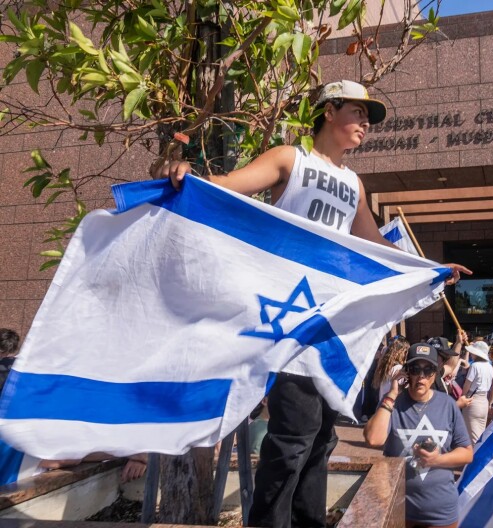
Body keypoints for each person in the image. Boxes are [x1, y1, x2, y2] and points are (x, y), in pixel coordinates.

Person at [158, 79, 471, 528]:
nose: (365, 123)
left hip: (331, 328)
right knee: (291, 440)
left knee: (321, 441)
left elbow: (375, 242)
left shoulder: (354, 183)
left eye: (368, 117)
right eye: (358, 112)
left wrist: (431, 268)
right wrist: (189, 176)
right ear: (328, 111)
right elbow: (228, 187)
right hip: (291, 324)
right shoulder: (290, 158)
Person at [364, 343, 473, 528]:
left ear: (435, 374)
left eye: (428, 370)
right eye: (415, 369)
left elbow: (467, 453)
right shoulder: (393, 404)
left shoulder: (448, 405)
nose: (421, 376)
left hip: (440, 513)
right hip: (399, 508)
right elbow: (374, 439)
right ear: (407, 372)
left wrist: (436, 460)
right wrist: (391, 394)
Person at [461, 341, 493, 443]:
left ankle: (476, 458)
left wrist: (462, 396)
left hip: (473, 400)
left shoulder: (475, 366)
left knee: (472, 437)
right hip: (484, 401)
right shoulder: (490, 366)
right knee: (480, 434)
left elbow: (467, 384)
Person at [373, 337, 410, 402]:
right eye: (407, 351)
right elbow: (401, 392)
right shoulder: (398, 368)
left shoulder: (387, 367)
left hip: (383, 404)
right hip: (392, 405)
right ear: (402, 352)